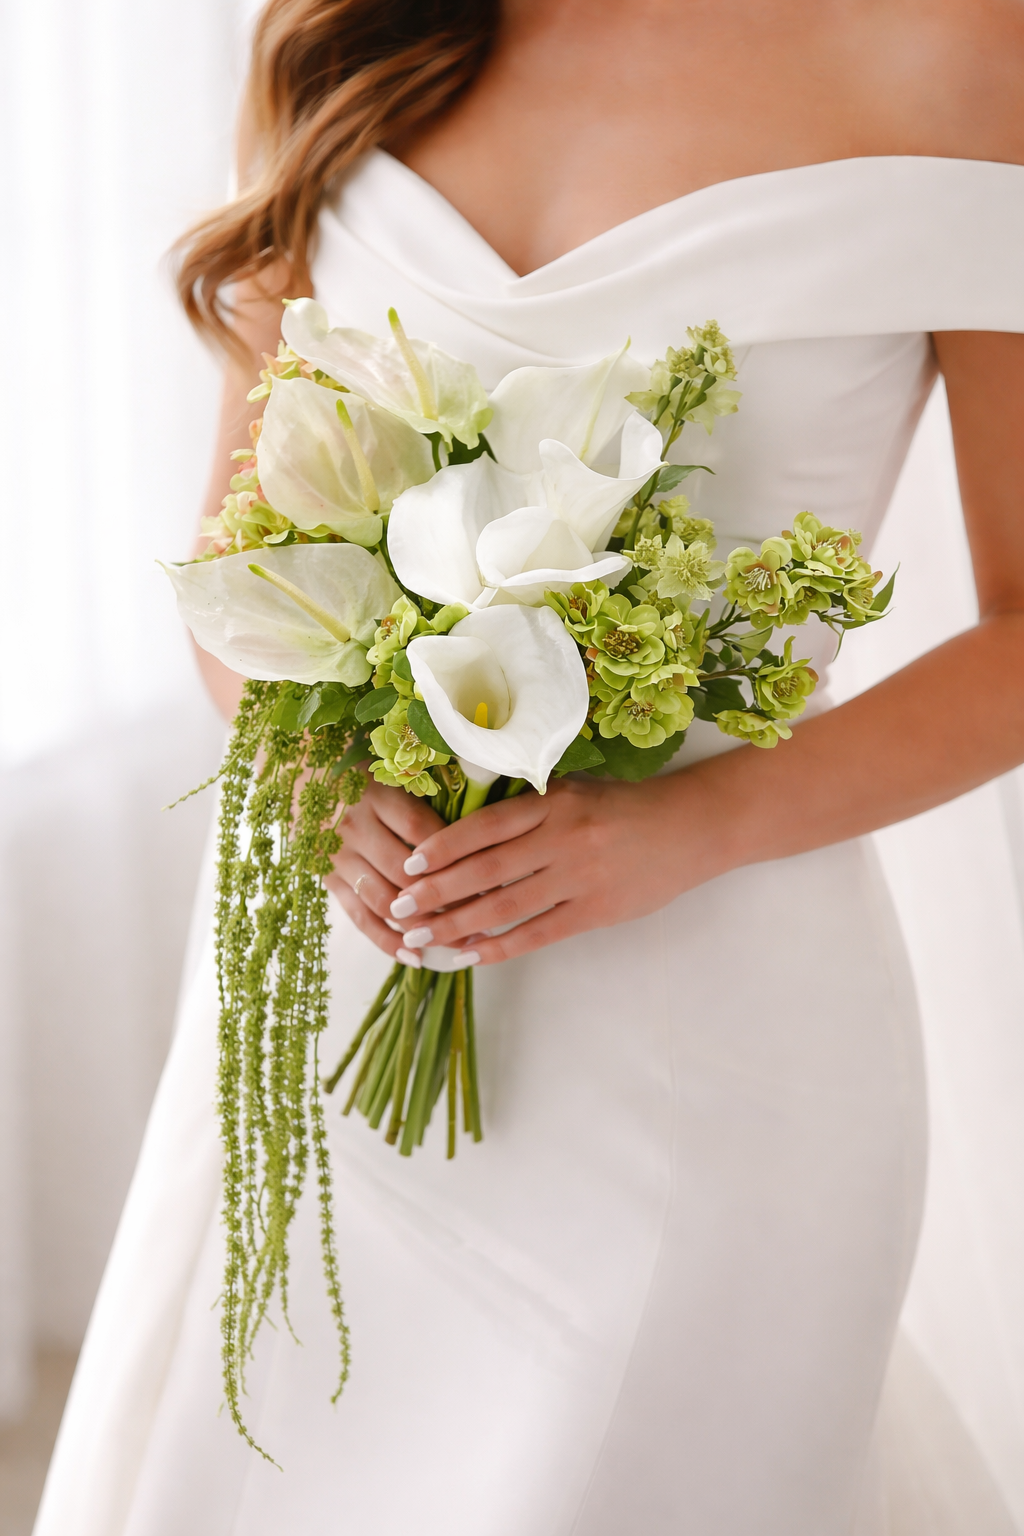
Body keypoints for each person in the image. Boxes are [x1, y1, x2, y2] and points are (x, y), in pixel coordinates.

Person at [34, 1, 1024, 1532]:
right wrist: (305, 775)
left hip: (719, 1024)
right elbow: (236, 554)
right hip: (339, 984)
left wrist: (685, 827)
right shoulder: (342, 29)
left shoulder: (967, 49)